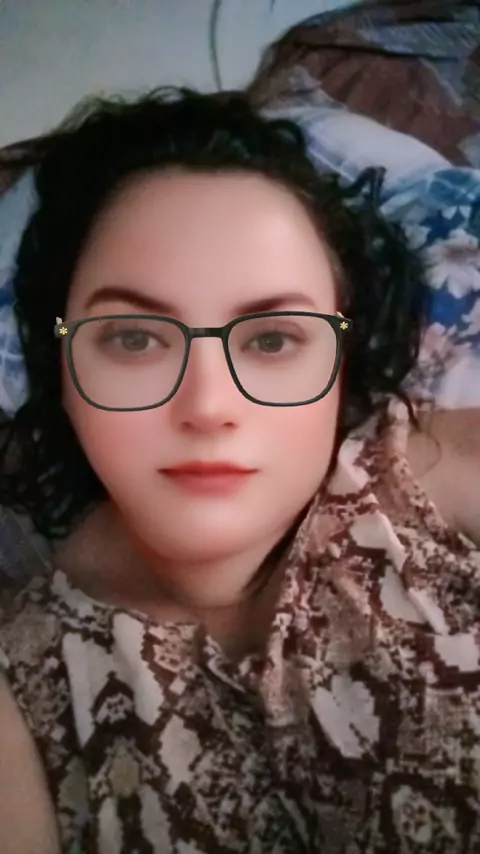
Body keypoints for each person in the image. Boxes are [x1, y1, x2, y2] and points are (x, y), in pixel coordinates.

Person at [0, 88, 478, 854]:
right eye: (133, 338)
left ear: (342, 362)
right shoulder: (19, 683)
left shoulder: (432, 472)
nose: (208, 406)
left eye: (272, 339)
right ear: (61, 367)